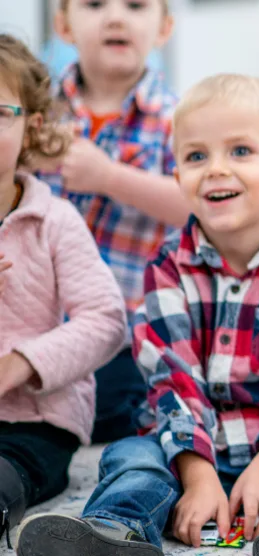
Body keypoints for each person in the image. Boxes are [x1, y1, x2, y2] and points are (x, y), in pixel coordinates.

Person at [16, 74, 259, 556]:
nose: (216, 169)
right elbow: (172, 383)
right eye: (196, 156)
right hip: (187, 447)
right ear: (179, 179)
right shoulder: (167, 270)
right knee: (133, 456)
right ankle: (116, 531)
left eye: (240, 152)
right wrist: (198, 477)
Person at [39, 0, 189, 443]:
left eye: (136, 5)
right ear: (64, 25)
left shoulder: (178, 119)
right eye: (95, 4)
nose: (116, 16)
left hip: (123, 331)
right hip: (38, 317)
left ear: (164, 28)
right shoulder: (38, 112)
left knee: (114, 408)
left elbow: (196, 205)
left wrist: (109, 177)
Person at [0, 33, 126, 547]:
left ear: (30, 127)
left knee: (8, 472)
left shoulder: (54, 220)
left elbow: (106, 319)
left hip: (33, 422)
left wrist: (19, 365)